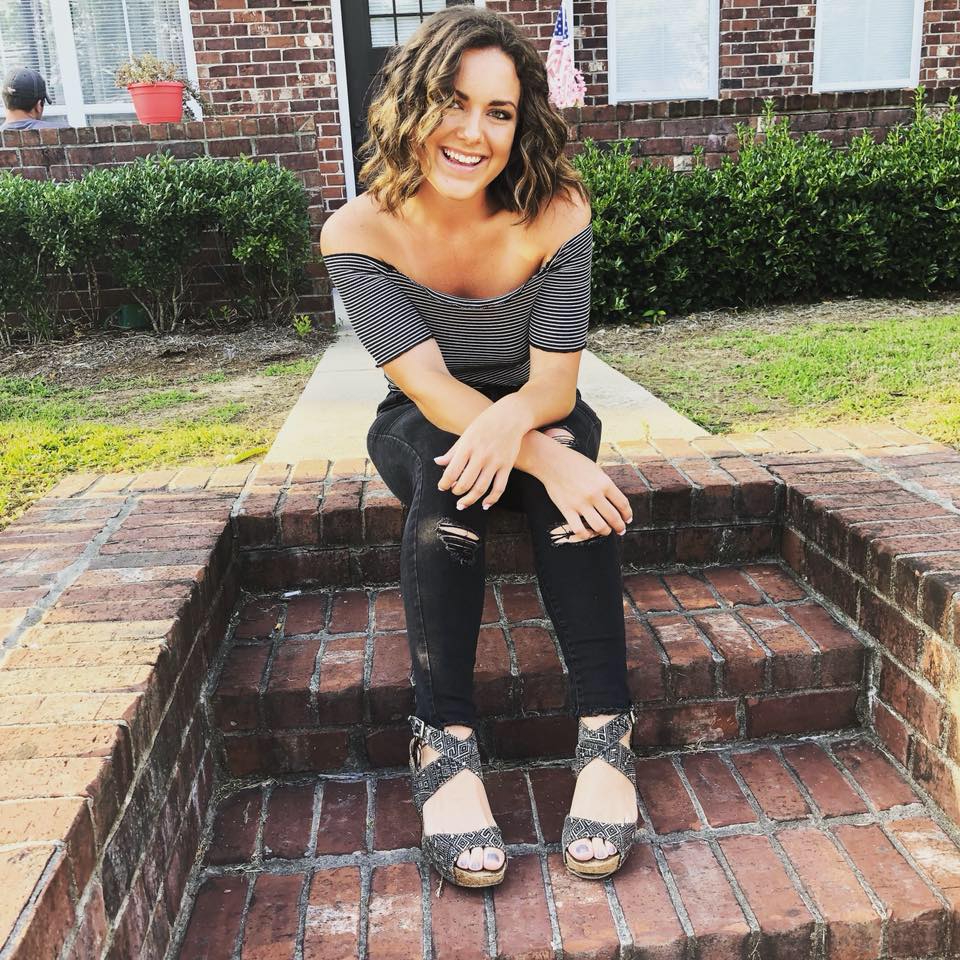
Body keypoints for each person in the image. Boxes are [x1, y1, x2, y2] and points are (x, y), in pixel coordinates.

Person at [321, 6, 639, 890]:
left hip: (537, 403)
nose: (474, 132)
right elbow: (427, 388)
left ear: (521, 122)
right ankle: (445, 742)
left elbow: (553, 386)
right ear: (411, 106)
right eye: (454, 104)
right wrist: (549, 455)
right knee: (448, 470)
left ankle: (606, 734)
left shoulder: (557, 211)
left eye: (499, 112)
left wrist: (535, 437)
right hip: (423, 419)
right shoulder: (358, 232)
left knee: (558, 461)